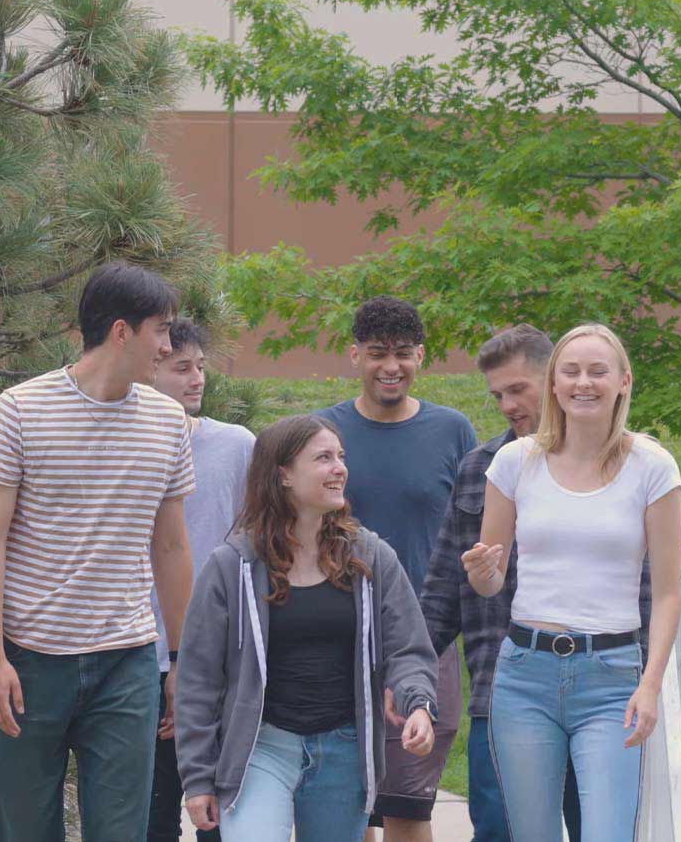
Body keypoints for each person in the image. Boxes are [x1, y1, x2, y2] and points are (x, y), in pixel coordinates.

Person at [0, 262, 197, 842]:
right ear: (121, 332)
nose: (169, 345)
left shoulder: (170, 423)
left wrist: (181, 658)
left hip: (127, 660)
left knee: (122, 832)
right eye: (162, 330)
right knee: (25, 830)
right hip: (30, 660)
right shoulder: (18, 409)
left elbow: (170, 547)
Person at [419, 325, 649, 842]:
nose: (506, 404)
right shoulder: (482, 467)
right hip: (503, 690)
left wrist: (645, 679)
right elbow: (441, 591)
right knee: (502, 833)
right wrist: (402, 670)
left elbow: (650, 588)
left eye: (516, 389)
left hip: (606, 685)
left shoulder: (634, 465)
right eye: (496, 394)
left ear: (554, 378)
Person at [174, 414, 441, 842]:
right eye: (323, 458)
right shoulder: (231, 566)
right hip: (261, 747)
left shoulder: (370, 557)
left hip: (343, 749)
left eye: (340, 456)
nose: (340, 468)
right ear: (282, 474)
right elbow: (199, 678)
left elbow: (408, 647)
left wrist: (419, 704)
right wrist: (198, 776)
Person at [315, 296, 477, 842]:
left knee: (409, 808)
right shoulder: (322, 434)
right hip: (336, 634)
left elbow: (473, 534)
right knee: (343, 806)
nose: (392, 366)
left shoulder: (452, 431)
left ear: (421, 357)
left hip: (425, 638)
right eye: (378, 353)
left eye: (404, 354)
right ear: (354, 354)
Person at [145, 319, 255, 842]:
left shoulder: (237, 446)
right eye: (180, 367)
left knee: (220, 813)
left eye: (201, 368)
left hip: (219, 655)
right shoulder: (125, 446)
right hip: (138, 650)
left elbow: (252, 547)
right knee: (151, 812)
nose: (196, 379)